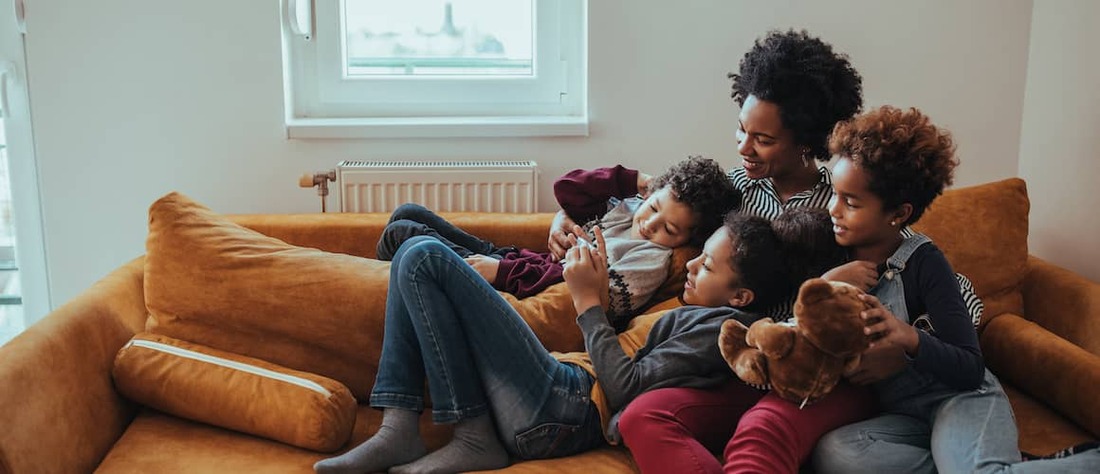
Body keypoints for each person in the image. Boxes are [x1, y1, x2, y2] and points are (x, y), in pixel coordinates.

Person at [312, 211, 794, 474]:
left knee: (422, 257)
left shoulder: (722, 330)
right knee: (411, 234)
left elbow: (626, 389)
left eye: (706, 265)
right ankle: (408, 428)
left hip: (566, 409)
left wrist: (589, 304)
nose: (689, 266)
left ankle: (444, 434)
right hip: (559, 382)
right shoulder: (691, 306)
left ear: (742, 296)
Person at [613, 29, 875, 473]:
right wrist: (568, 219)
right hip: (732, 360)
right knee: (638, 417)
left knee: (758, 435)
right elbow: (650, 201)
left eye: (764, 140)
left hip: (802, 368)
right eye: (741, 129)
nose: (744, 148)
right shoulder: (733, 188)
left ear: (806, 141)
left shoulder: (842, 203)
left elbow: (894, 269)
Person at [809, 107, 1100, 473]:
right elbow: (798, 321)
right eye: (834, 195)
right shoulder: (830, 251)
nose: (833, 209)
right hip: (906, 416)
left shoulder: (925, 262)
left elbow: (970, 368)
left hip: (960, 399)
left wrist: (908, 339)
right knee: (836, 452)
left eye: (850, 202)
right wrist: (823, 285)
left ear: (898, 213)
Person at [376, 156, 741, 325]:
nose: (651, 224)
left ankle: (390, 308)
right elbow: (567, 190)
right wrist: (632, 180)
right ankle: (402, 298)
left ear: (685, 240)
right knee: (408, 213)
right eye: (655, 207)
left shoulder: (649, 262)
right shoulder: (628, 209)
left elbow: (572, 288)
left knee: (403, 236)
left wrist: (501, 272)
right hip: (521, 261)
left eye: (670, 230)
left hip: (522, 283)